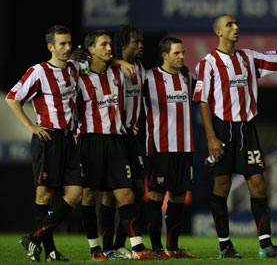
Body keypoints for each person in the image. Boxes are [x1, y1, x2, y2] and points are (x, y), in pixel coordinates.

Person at [193, 14, 277, 258]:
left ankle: (265, 245)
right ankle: (225, 245)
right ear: (218, 33)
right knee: (221, 185)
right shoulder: (208, 63)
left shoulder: (249, 57)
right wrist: (211, 138)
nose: (236, 27)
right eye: (229, 25)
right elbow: (203, 102)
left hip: (248, 129)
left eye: (236, 23)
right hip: (222, 129)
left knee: (258, 184)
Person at [76, 30, 158, 261]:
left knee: (127, 192)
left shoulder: (118, 72)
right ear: (91, 49)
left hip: (119, 140)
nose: (109, 48)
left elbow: (111, 62)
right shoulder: (79, 75)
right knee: (90, 194)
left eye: (111, 44)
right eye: (104, 44)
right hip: (90, 141)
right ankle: (97, 249)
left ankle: (136, 247)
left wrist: (119, 60)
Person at [6, 25, 83, 262]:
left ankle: (34, 237)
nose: (68, 47)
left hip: (69, 139)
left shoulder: (74, 68)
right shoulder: (38, 71)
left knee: (75, 193)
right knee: (45, 195)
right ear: (51, 46)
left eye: (69, 43)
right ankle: (49, 252)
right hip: (47, 138)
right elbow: (12, 98)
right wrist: (31, 126)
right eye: (62, 43)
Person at [143, 37, 196, 259]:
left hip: (185, 148)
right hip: (160, 147)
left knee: (178, 198)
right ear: (164, 55)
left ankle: (172, 248)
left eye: (183, 52)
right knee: (156, 197)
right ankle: (156, 248)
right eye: (177, 53)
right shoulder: (149, 77)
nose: (182, 56)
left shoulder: (188, 77)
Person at [98, 25, 147, 260]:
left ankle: (119, 243)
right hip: (114, 136)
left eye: (141, 41)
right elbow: (88, 62)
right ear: (123, 44)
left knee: (137, 189)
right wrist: (117, 62)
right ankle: (107, 246)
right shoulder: (109, 69)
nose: (140, 45)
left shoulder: (141, 69)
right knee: (110, 193)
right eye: (135, 42)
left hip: (133, 137)